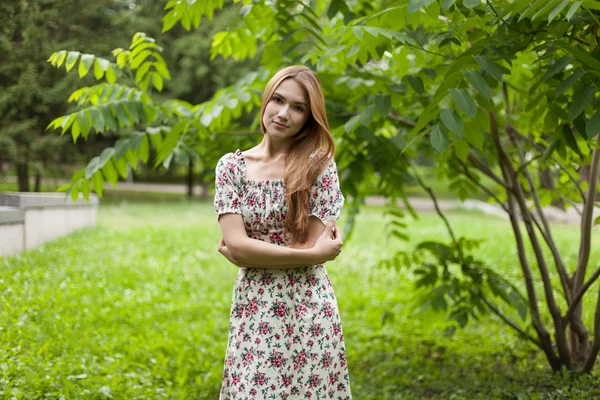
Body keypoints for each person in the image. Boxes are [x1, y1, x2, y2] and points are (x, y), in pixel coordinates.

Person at [214, 65, 352, 399]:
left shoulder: (319, 165)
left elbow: (248, 249)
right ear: (266, 99)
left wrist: (250, 253)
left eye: (298, 107)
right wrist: (314, 255)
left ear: (309, 118)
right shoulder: (231, 168)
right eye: (278, 99)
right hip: (255, 306)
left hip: (309, 308)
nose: (283, 113)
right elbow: (238, 244)